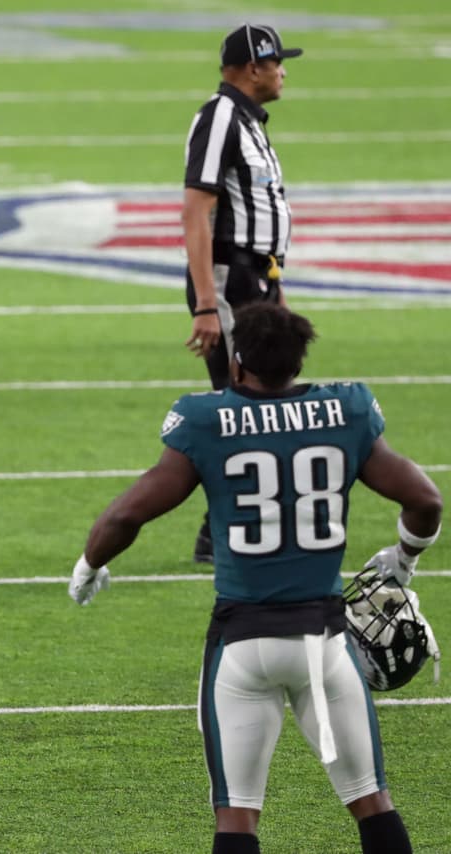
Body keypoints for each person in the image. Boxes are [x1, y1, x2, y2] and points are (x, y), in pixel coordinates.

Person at [69, 302, 441, 854]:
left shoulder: (206, 418)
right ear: (299, 359)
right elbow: (425, 500)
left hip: (242, 644)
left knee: (237, 820)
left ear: (237, 361)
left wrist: (89, 564)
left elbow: (126, 516)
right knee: (371, 803)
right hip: (325, 645)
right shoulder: (348, 409)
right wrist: (404, 560)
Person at [183, 23, 302, 563]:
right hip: (230, 279)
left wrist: (276, 286)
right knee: (243, 404)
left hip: (257, 277)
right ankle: (224, 528)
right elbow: (196, 212)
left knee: (266, 396)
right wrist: (208, 302)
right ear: (253, 67)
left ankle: (232, 522)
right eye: (277, 61)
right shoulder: (221, 118)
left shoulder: (250, 122)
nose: (283, 71)